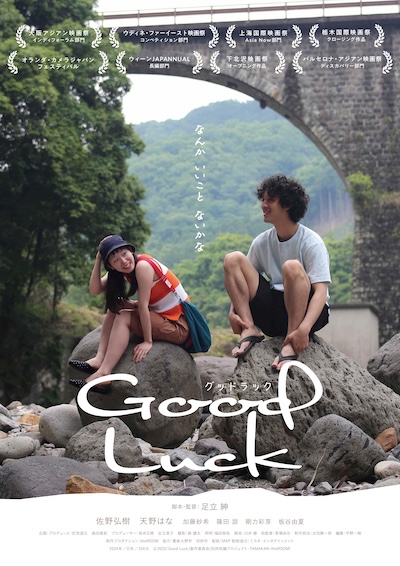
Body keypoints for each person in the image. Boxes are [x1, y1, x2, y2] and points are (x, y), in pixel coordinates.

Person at [223, 173, 331, 371]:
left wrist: (304, 329)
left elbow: (321, 292)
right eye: (263, 199)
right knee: (233, 259)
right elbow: (242, 282)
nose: (263, 205)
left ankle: (290, 341)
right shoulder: (261, 242)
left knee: (292, 267)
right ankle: (249, 329)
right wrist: (233, 312)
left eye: (270, 200)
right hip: (274, 314)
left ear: (287, 204)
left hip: (307, 313)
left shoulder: (311, 242)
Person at [68, 235, 190, 393]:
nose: (123, 261)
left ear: (131, 251)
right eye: (116, 260)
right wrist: (99, 258)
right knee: (114, 308)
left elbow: (144, 306)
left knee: (123, 316)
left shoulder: (143, 266)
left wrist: (147, 341)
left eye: (124, 254)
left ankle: (104, 373)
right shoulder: (124, 271)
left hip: (178, 326)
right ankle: (99, 358)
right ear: (111, 266)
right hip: (163, 317)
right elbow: (95, 289)